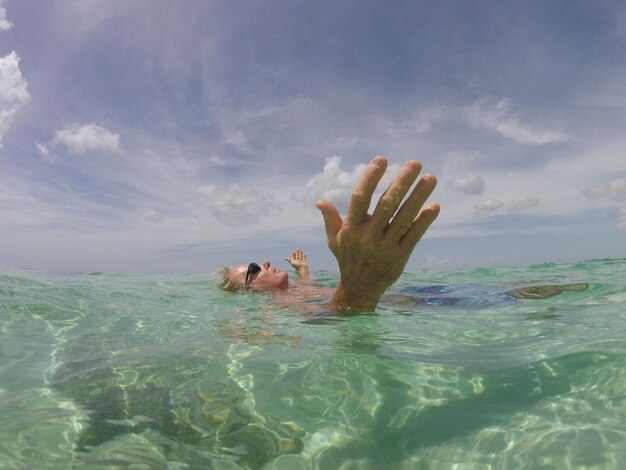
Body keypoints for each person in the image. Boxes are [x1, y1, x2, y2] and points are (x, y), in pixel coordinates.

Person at [218, 156, 587, 313]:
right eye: (253, 268)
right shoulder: (279, 308)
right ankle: (565, 294)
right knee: (510, 295)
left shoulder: (293, 291)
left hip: (394, 293)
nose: (262, 262)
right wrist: (362, 285)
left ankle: (557, 295)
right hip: (401, 306)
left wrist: (301, 270)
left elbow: (313, 291)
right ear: (250, 292)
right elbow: (336, 320)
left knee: (514, 288)